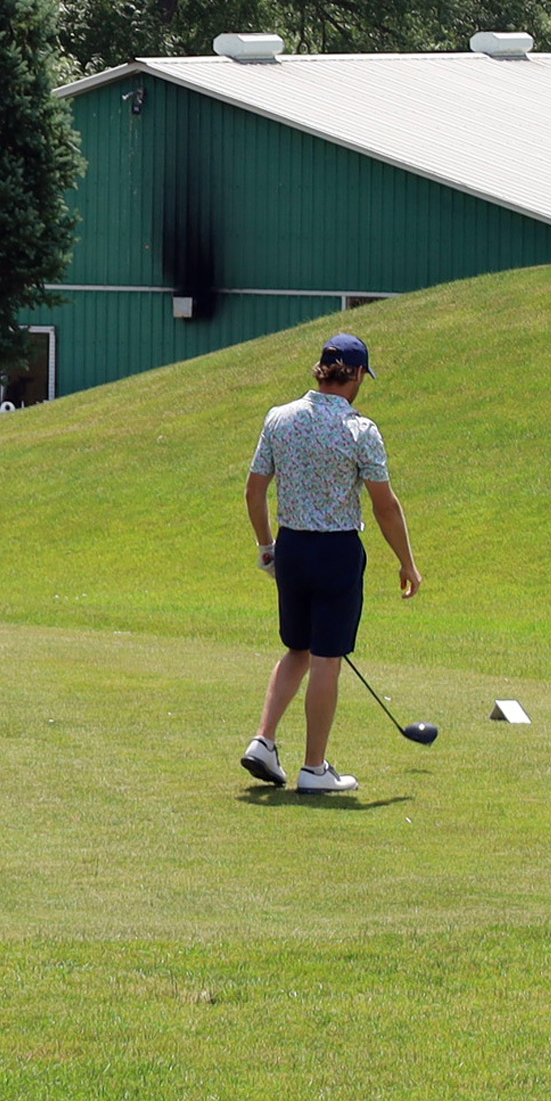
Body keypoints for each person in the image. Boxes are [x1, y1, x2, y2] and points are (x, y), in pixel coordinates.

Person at [240, 329, 423, 795]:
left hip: (292, 549)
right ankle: (314, 768)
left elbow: (255, 491)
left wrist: (266, 547)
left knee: (297, 650)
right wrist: (407, 562)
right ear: (357, 374)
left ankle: (264, 741)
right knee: (326, 659)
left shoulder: (279, 418)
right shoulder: (361, 430)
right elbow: (385, 506)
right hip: (337, 552)